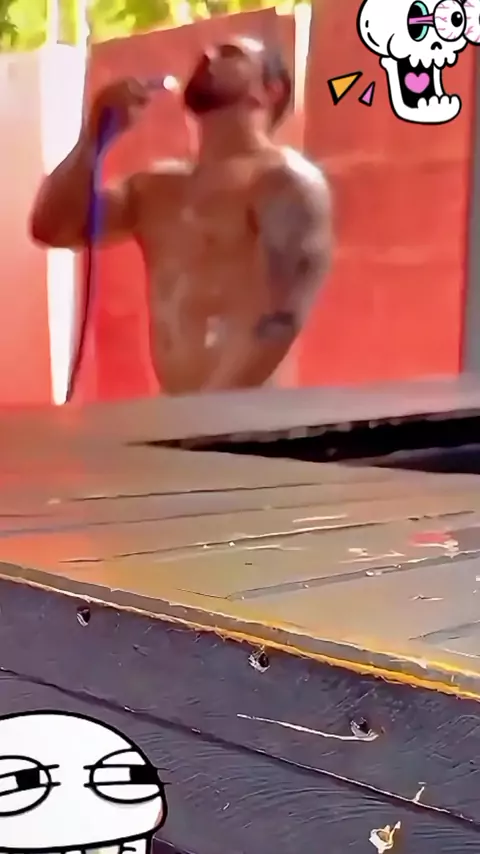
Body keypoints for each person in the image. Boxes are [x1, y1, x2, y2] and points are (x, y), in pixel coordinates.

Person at [30, 36, 332, 394]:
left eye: (230, 53)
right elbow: (52, 227)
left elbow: (280, 319)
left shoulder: (285, 182)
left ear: (270, 90)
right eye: (209, 50)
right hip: (177, 410)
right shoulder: (156, 188)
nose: (207, 54)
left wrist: (209, 412)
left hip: (246, 414)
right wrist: (93, 137)